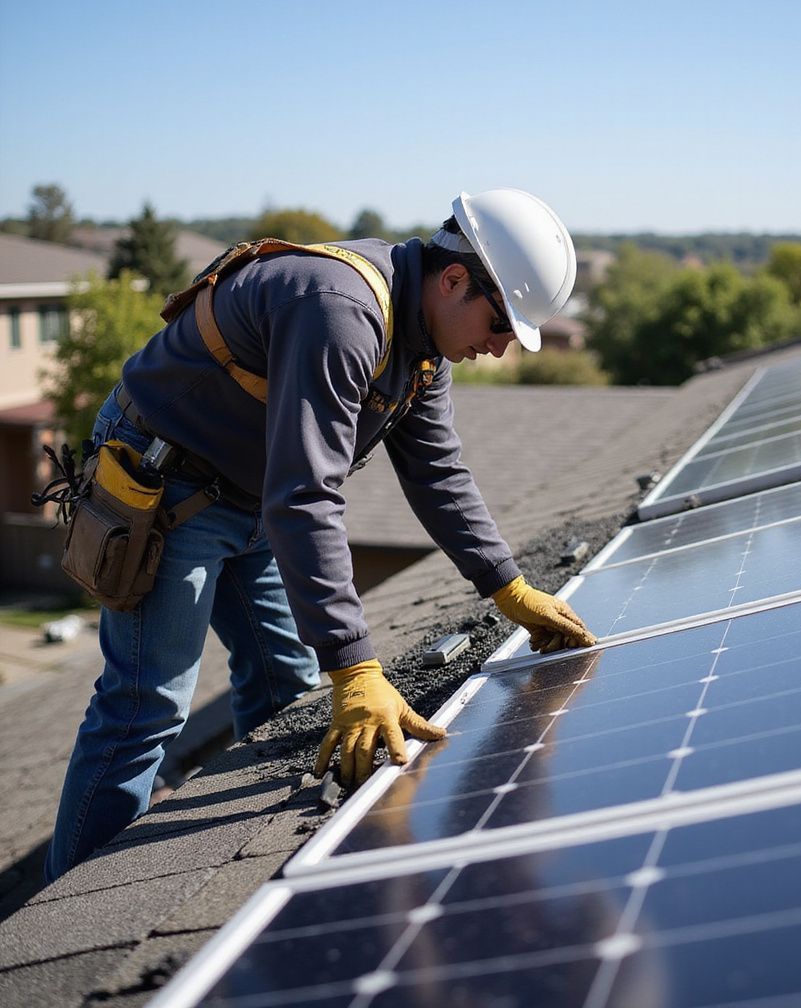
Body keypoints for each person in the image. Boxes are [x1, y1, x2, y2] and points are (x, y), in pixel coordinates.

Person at [44, 188, 597, 882]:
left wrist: (506, 585)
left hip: (254, 491)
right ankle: (75, 892)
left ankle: (254, 866)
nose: (497, 347)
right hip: (170, 485)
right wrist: (356, 664)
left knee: (286, 685)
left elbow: (437, 472)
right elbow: (306, 495)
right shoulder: (343, 309)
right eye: (499, 325)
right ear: (454, 278)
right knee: (145, 706)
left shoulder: (421, 346)